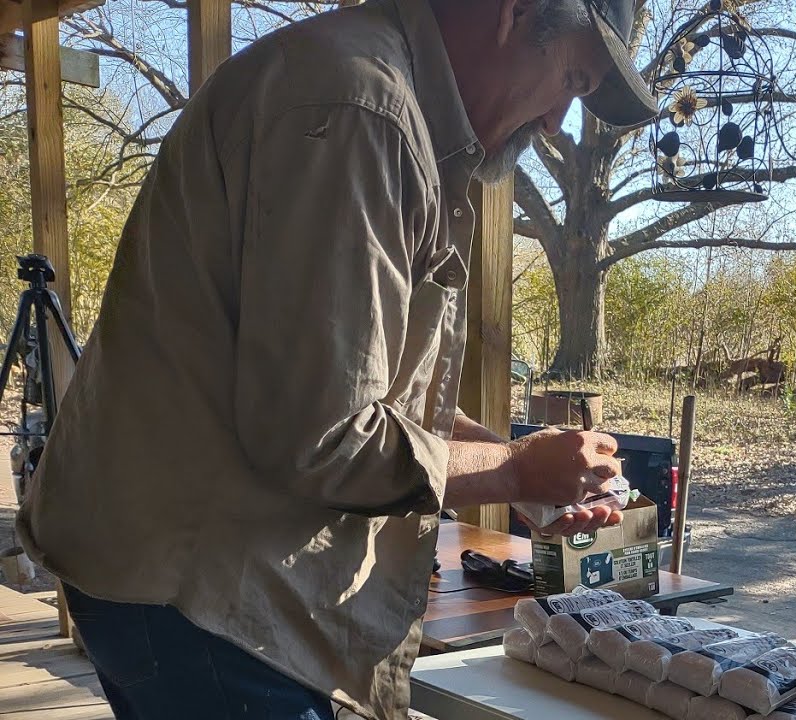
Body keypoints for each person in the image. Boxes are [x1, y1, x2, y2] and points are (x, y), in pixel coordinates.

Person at [16, 0, 659, 717]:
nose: (553, 125)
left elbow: (372, 389)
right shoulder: (362, 112)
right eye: (571, 79)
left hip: (171, 573)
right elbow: (320, 434)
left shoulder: (375, 93)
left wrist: (518, 466)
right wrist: (512, 469)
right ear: (511, 13)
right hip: (199, 592)